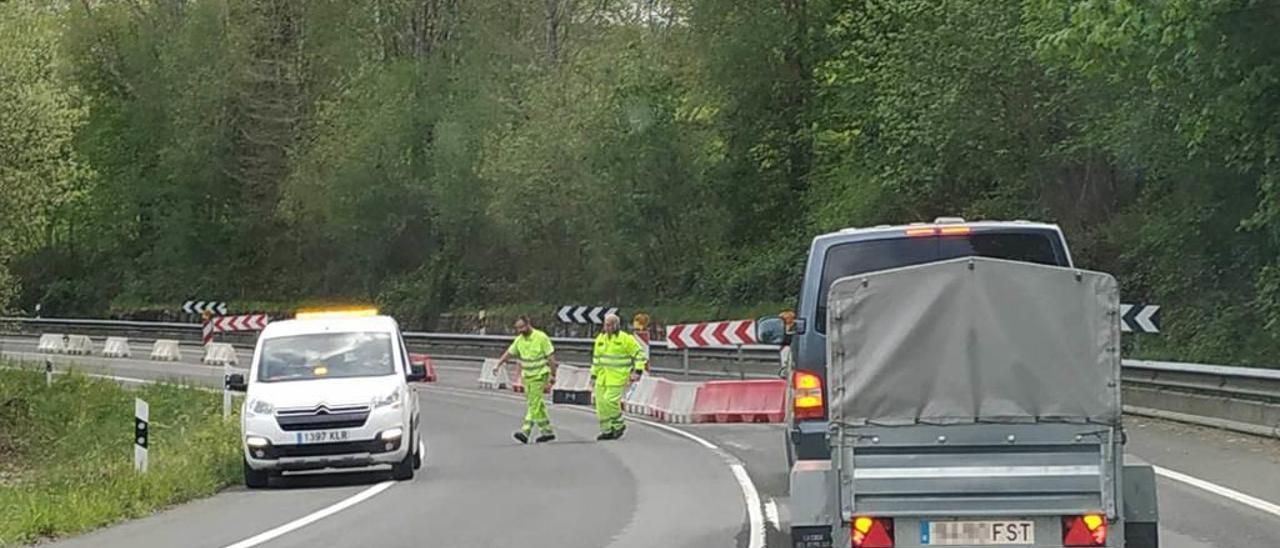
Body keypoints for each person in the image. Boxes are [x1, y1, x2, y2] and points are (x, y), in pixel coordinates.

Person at [494, 315, 557, 444]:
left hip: (540, 376)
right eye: (518, 328)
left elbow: (551, 358)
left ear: (529, 324)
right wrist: (498, 364)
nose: (520, 330)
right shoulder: (519, 340)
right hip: (527, 377)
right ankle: (547, 431)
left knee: (534, 404)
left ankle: (525, 431)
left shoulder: (541, 337)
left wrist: (553, 375)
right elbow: (509, 353)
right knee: (536, 404)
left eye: (522, 327)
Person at [591, 313, 647, 440]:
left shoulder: (625, 339)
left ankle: (618, 424)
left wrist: (638, 371)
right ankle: (607, 430)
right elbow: (596, 359)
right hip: (602, 377)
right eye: (606, 324)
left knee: (610, 401)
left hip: (618, 377)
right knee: (601, 405)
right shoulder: (601, 339)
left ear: (616, 325)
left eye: (610, 325)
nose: (608, 327)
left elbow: (639, 354)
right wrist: (593, 375)